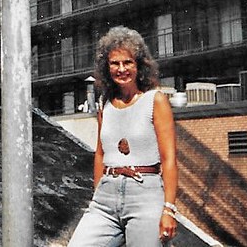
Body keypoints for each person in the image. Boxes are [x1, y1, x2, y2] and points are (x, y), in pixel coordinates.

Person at [68, 26, 178, 246]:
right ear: (107, 67)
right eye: (114, 63)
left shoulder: (155, 101)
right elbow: (100, 154)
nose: (121, 69)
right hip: (105, 197)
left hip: (145, 195)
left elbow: (169, 159)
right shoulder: (104, 104)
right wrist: (99, 191)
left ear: (139, 66)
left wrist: (169, 209)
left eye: (127, 62)